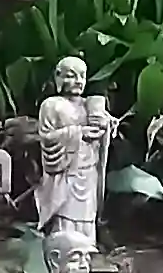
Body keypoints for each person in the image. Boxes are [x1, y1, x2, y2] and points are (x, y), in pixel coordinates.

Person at [34, 56, 112, 240]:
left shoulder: (89, 105)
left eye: (82, 76)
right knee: (65, 216)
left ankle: (85, 251)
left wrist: (106, 127)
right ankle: (62, 250)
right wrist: (78, 133)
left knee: (87, 216)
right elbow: (46, 137)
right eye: (71, 76)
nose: (78, 81)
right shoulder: (51, 105)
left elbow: (101, 133)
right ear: (58, 77)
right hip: (66, 172)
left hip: (88, 170)